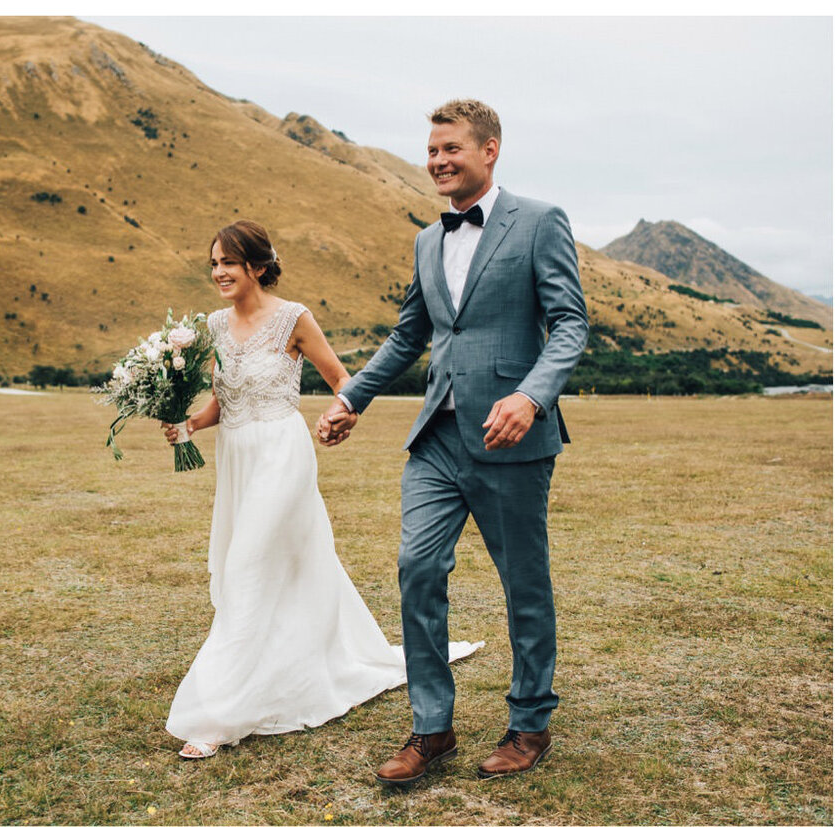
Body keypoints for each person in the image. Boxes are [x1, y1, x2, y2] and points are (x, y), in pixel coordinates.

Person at [317, 99, 586, 786]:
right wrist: (353, 396)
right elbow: (411, 334)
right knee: (416, 566)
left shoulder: (541, 222)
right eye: (431, 150)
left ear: (489, 149)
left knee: (523, 583)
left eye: (451, 149)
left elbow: (569, 325)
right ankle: (431, 727)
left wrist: (530, 395)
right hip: (437, 435)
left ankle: (530, 722)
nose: (437, 161)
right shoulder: (425, 239)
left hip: (511, 437)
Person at [158, 221, 482, 760]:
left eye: (228, 263)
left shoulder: (293, 318)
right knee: (276, 568)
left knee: (245, 568)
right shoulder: (213, 325)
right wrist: (187, 426)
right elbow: (224, 399)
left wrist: (340, 414)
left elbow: (341, 379)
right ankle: (287, 664)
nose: (218, 272)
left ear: (257, 267)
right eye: (213, 263)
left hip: (282, 454)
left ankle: (215, 715)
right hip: (237, 458)